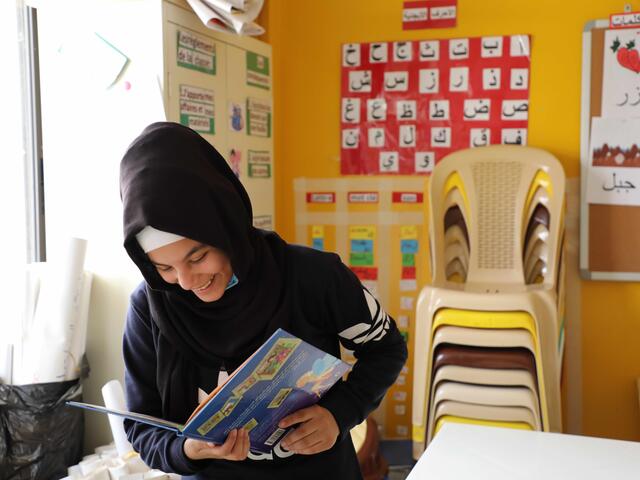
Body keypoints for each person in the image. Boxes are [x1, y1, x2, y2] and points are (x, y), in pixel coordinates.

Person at [119, 122, 408, 479]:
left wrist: (339, 413)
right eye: (164, 267)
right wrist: (187, 449)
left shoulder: (311, 277)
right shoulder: (150, 307)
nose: (186, 282)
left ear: (226, 226)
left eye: (198, 257)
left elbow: (387, 348)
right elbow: (142, 427)